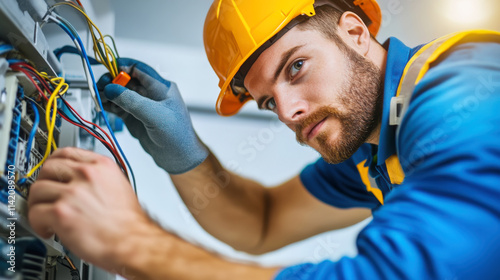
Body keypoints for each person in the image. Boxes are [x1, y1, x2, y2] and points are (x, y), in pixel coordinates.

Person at [27, 0, 500, 279]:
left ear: (355, 32)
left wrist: (130, 242)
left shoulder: (462, 94)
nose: (290, 113)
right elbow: (262, 222)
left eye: (296, 67)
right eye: (268, 102)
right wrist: (184, 152)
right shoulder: (372, 151)